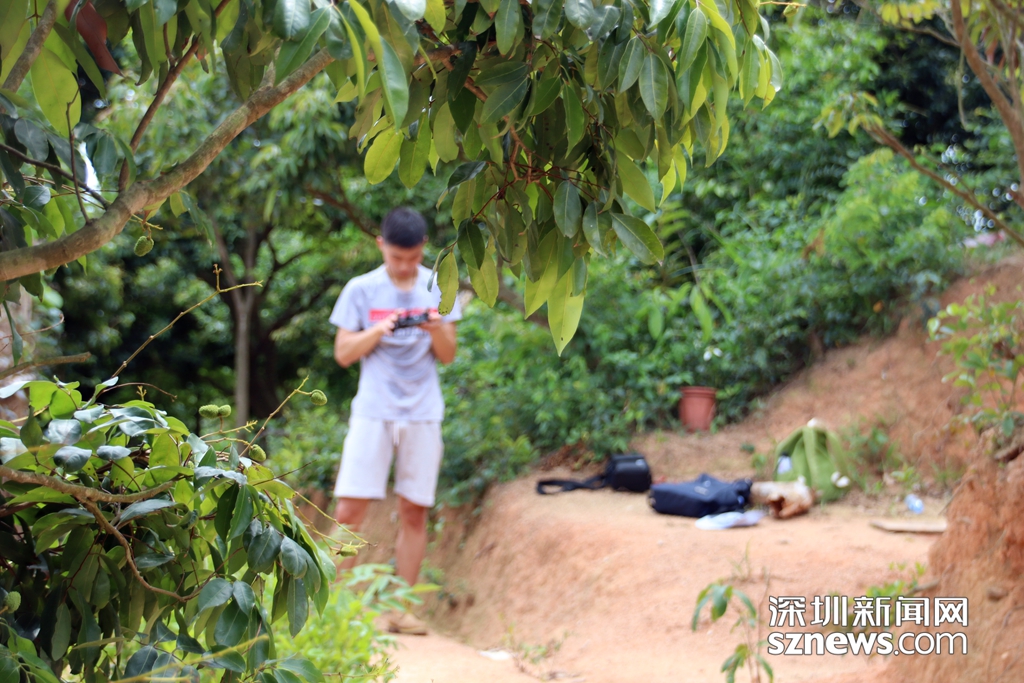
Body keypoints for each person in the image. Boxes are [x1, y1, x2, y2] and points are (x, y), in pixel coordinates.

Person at [329, 207, 460, 636]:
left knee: (414, 510)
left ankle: (401, 609)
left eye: (412, 258)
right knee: (349, 509)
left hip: (423, 411)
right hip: (373, 409)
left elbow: (448, 355)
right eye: (396, 257)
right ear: (380, 245)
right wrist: (380, 329)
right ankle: (335, 607)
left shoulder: (438, 285)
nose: (404, 266)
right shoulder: (360, 289)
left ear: (423, 248)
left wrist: (434, 326)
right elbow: (343, 353)